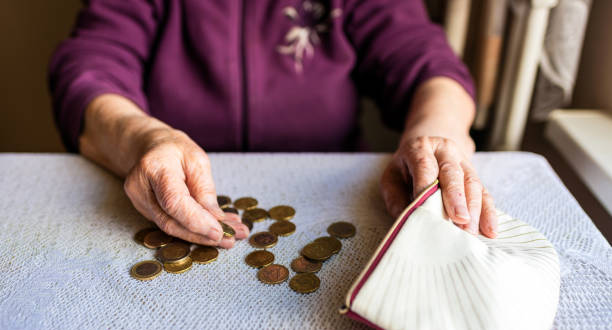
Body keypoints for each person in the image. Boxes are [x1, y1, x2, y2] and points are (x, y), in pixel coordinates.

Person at [49, 0, 497, 249]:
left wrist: (434, 136)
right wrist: (144, 137)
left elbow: (428, 64)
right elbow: (89, 67)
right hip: (159, 196)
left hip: (337, 197)